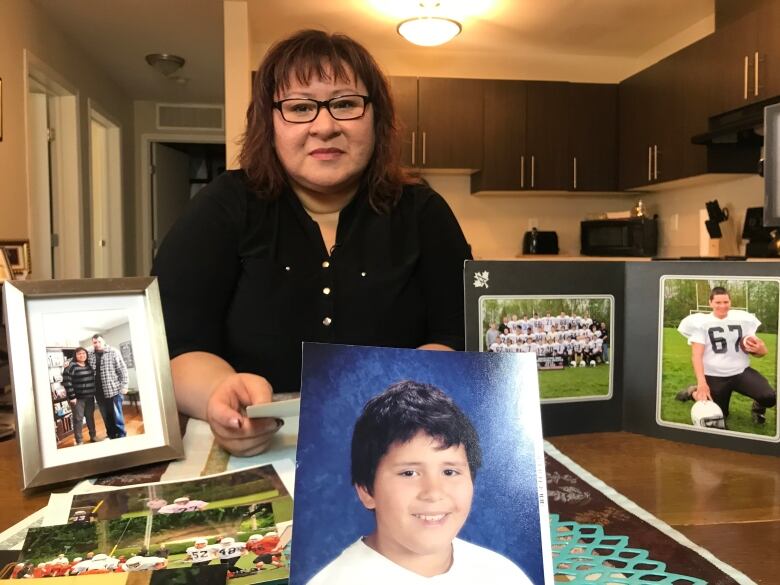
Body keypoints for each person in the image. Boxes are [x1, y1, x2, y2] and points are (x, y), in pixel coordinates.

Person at [152, 29, 471, 456]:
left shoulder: (425, 213)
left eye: (344, 104)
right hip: (260, 447)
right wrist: (219, 393)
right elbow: (175, 345)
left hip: (399, 441)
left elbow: (460, 336)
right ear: (269, 123)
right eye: (300, 107)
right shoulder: (221, 209)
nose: (324, 126)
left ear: (376, 118)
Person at [307, 380, 533, 584]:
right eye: (409, 473)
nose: (434, 493)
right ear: (367, 491)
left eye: (450, 472)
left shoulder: (502, 574)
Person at [676, 287, 777, 424]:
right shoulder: (701, 323)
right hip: (715, 376)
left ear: (730, 302)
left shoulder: (743, 320)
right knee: (719, 415)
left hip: (741, 372)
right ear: (710, 303)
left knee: (769, 397)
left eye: (725, 302)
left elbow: (761, 353)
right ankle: (693, 392)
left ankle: (758, 409)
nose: (722, 306)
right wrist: (702, 383)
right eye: (718, 302)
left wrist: (761, 349)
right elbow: (696, 356)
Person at [88, 335, 129, 439]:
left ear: (103, 341)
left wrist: (124, 385)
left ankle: (121, 436)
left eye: (99, 341)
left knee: (117, 415)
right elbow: (78, 355)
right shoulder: (90, 353)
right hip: (98, 392)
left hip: (113, 390)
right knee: (105, 415)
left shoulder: (113, 352)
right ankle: (111, 434)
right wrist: (67, 362)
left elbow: (122, 369)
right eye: (94, 342)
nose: (97, 344)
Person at [62, 347, 98, 444]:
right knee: (78, 419)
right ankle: (79, 440)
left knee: (90, 417)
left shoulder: (89, 365)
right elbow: (67, 382)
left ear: (86, 355)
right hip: (77, 399)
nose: (82, 355)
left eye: (83, 353)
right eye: (79, 354)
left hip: (90, 397)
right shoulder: (71, 366)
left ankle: (93, 436)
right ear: (75, 355)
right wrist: (72, 397)